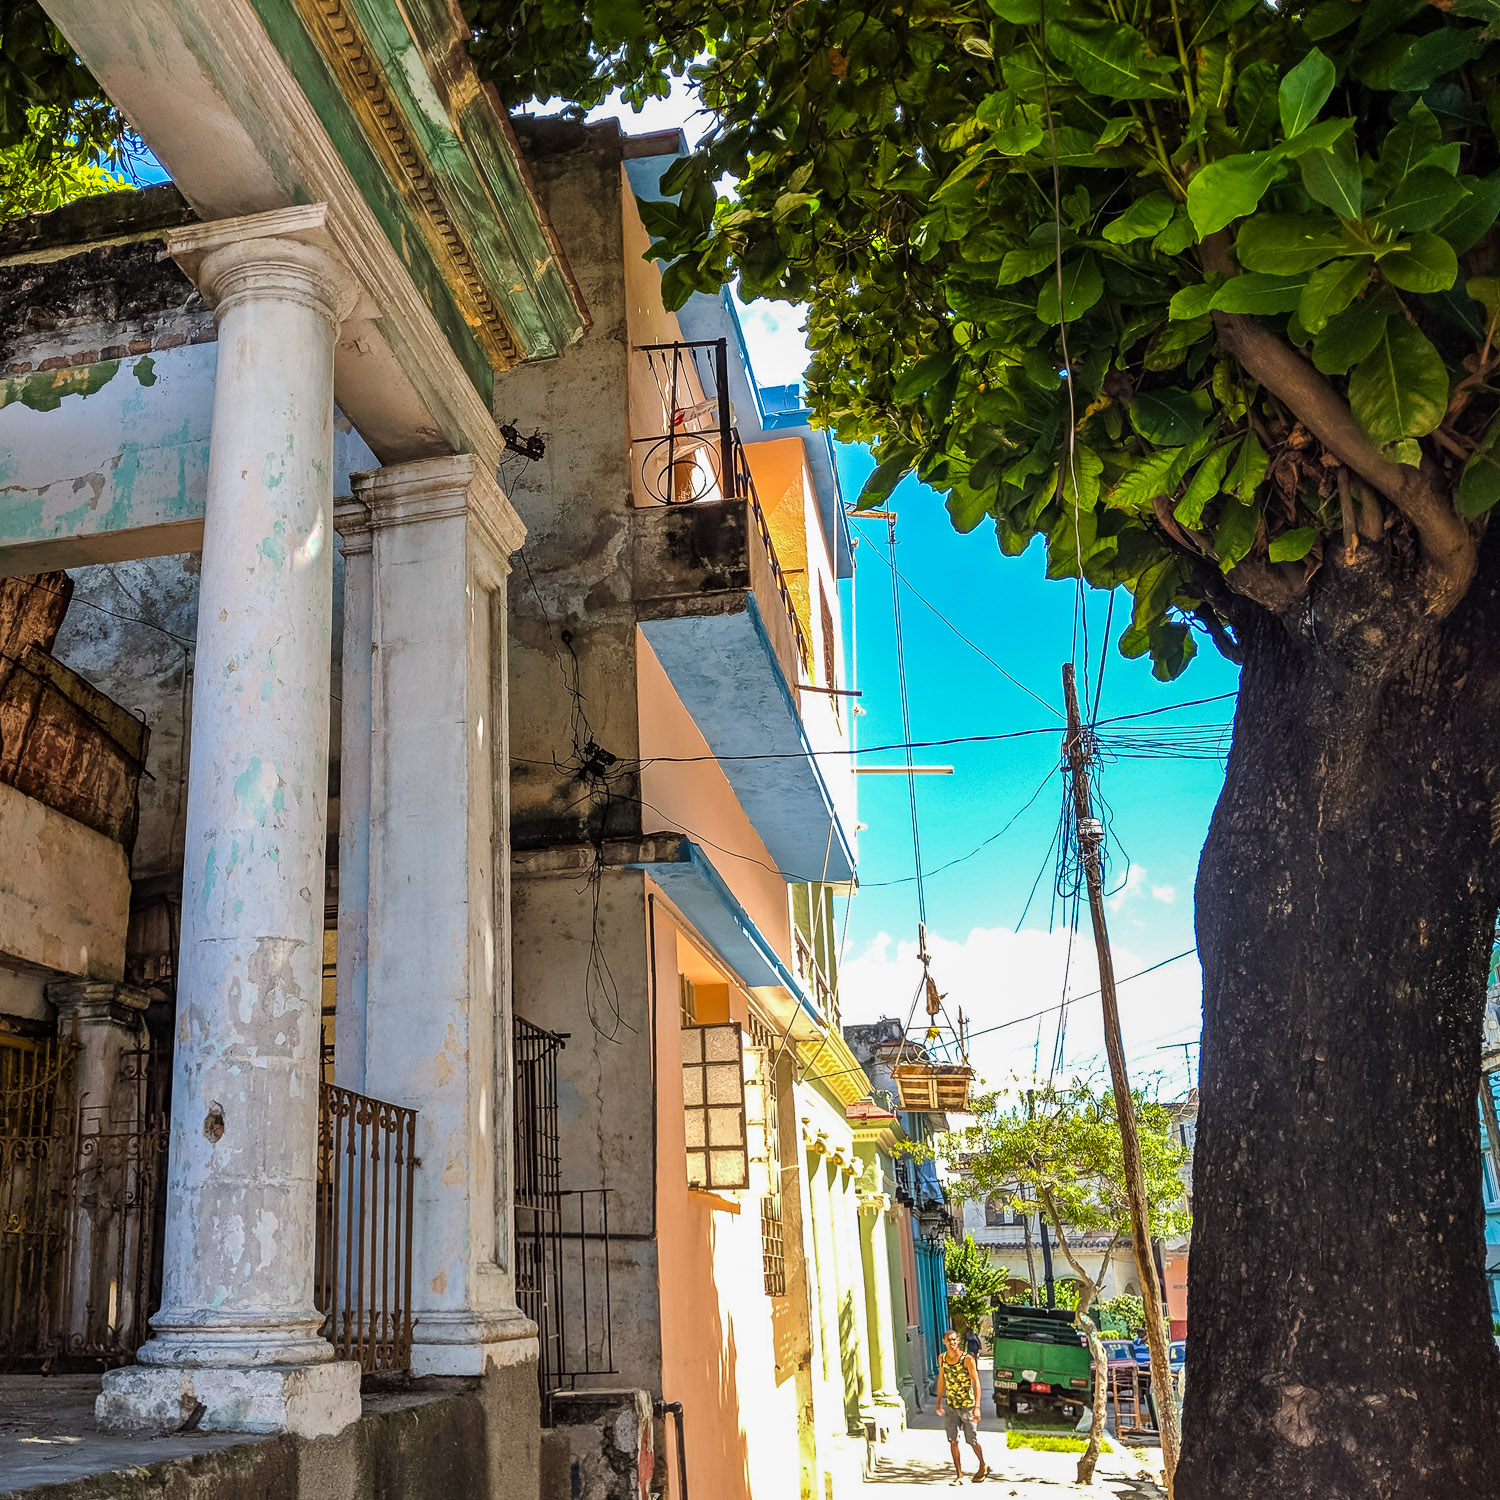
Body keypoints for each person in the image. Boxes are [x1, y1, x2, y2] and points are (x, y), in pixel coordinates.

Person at [935, 1327, 988, 1484]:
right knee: (953, 1440)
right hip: (951, 1405)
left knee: (972, 1440)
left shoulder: (967, 1359)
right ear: (944, 1342)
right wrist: (938, 1401)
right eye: (948, 1340)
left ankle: (983, 1465)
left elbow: (976, 1382)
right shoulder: (942, 1358)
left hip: (967, 1406)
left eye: (954, 1339)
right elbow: (941, 1380)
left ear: (958, 1341)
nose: (951, 1342)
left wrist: (977, 1406)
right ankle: (959, 1474)